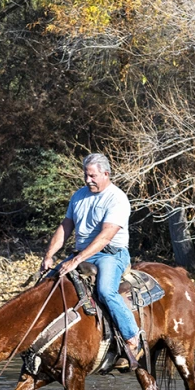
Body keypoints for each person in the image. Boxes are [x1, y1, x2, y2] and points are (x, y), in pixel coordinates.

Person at [41, 153, 144, 368]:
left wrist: (76, 260)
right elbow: (66, 226)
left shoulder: (116, 198)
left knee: (106, 290)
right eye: (86, 175)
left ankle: (132, 337)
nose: (88, 180)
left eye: (93, 176)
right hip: (82, 253)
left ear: (106, 174)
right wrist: (49, 255)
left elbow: (106, 235)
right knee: (48, 284)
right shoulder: (78, 196)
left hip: (110, 254)